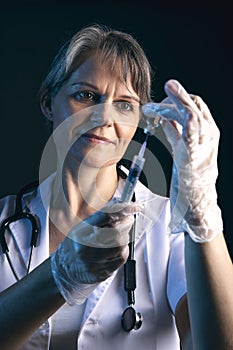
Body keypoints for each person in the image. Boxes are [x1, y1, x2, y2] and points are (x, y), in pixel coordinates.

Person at [0, 23, 232, 350]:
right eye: (86, 95)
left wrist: (203, 210)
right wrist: (59, 274)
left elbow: (217, 343)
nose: (103, 117)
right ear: (48, 103)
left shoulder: (170, 225)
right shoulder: (4, 221)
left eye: (124, 104)